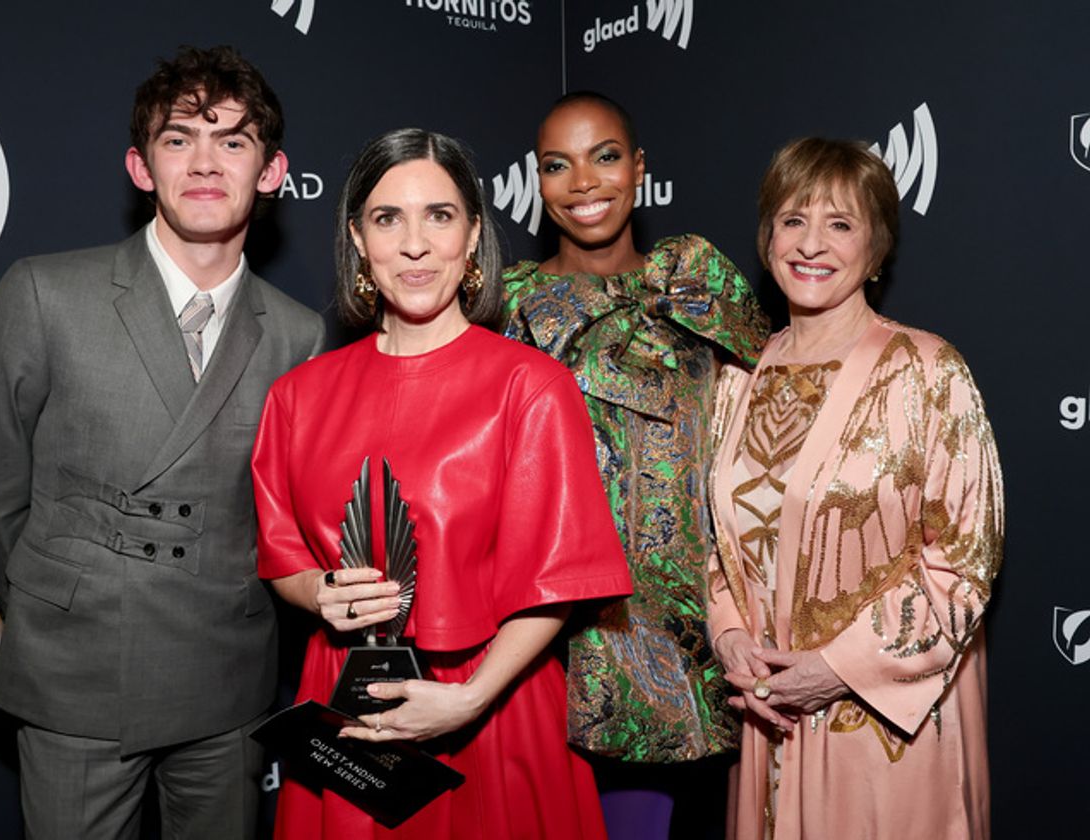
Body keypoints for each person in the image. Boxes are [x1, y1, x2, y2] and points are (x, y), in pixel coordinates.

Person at [0, 45, 324, 838]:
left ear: (272, 172)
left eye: (232, 140)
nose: (203, 161)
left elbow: (286, 511)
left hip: (227, 679)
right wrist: (51, 601)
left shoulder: (299, 334)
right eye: (178, 137)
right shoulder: (45, 292)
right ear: (139, 165)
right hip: (76, 674)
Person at [251, 127, 633, 839]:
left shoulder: (531, 387)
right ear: (359, 240)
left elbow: (560, 581)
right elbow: (283, 558)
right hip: (346, 710)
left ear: (473, 234)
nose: (415, 244)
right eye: (387, 218)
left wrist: (469, 700)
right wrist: (320, 593)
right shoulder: (298, 396)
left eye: (440, 215)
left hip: (494, 708)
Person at [707, 137, 1003, 839]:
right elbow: (718, 544)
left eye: (840, 224)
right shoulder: (735, 378)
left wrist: (835, 668)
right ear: (766, 237)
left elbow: (963, 566)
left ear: (877, 249)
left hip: (884, 729)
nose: (812, 244)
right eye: (792, 220)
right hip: (768, 715)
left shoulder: (929, 372)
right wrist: (728, 636)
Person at [501, 91, 769, 838]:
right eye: (559, 165)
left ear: (640, 167)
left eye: (606, 156)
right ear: (537, 180)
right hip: (552, 641)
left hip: (702, 639)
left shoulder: (700, 280)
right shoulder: (506, 304)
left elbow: (779, 423)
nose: (584, 183)